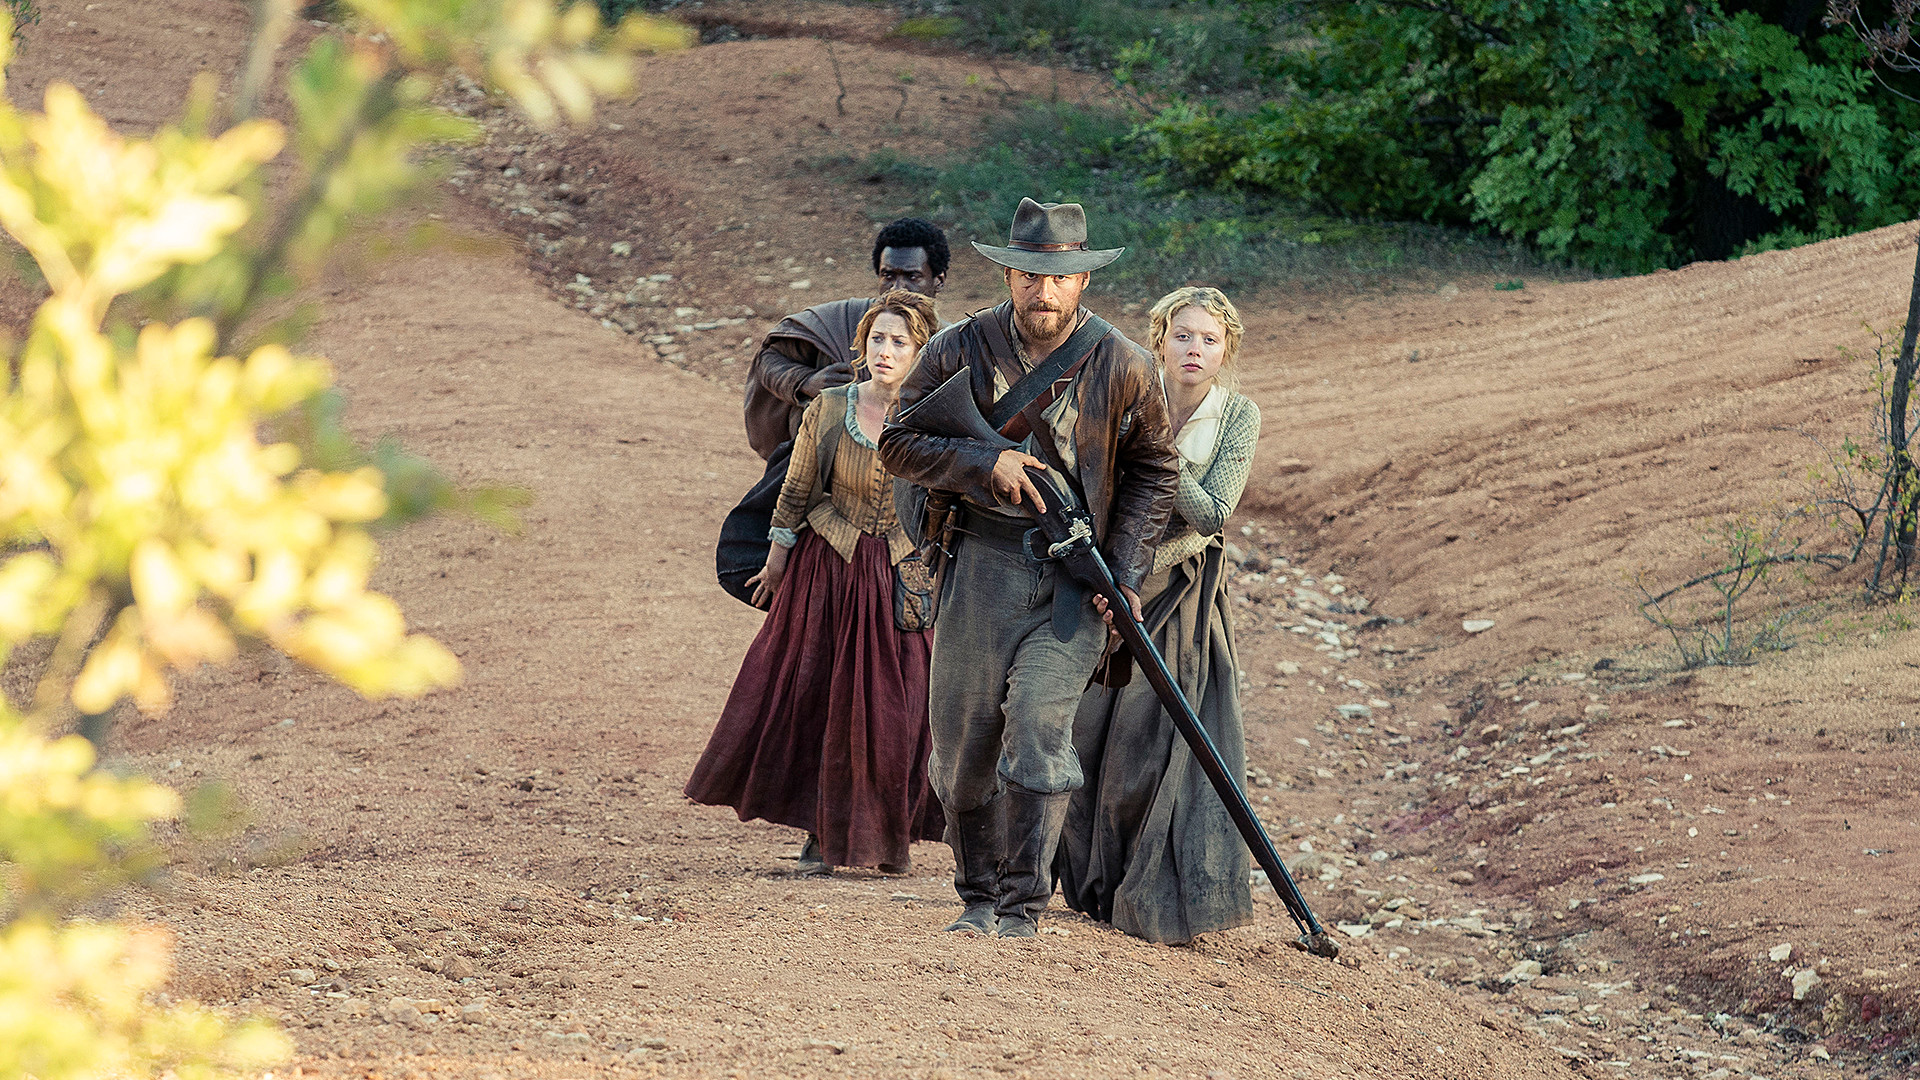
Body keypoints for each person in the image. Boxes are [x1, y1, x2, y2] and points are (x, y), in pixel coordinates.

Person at [879, 199, 1179, 937]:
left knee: (1041, 730)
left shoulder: (1124, 363)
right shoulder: (957, 346)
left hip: (1073, 584)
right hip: (979, 569)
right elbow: (898, 443)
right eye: (1030, 276)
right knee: (962, 751)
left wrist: (1123, 574)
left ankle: (1022, 904)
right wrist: (986, 463)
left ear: (1083, 280)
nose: (1045, 292)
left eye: (1060, 278)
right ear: (1009, 275)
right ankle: (977, 896)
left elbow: (1155, 470)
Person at [687, 291, 947, 875]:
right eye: (876, 339)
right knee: (823, 700)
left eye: (899, 342)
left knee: (900, 707)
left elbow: (949, 499)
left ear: (920, 351)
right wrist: (778, 560)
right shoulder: (830, 408)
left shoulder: (935, 416)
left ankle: (890, 837)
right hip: (829, 569)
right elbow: (798, 488)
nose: (885, 351)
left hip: (901, 575)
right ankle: (821, 833)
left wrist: (938, 570)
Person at [1054, 286, 1262, 945]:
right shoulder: (1128, 390)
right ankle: (1087, 885)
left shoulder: (1238, 415)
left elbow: (1212, 514)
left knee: (1152, 741)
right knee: (1085, 729)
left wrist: (1156, 454)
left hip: (1180, 585)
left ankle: (1152, 896)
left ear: (1225, 350)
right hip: (1105, 576)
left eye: (1209, 339)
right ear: (1159, 340)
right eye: (1183, 335)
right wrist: (1111, 571)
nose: (1194, 349)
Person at [742, 218, 950, 459]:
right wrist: (805, 382)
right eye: (888, 275)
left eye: (912, 277)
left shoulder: (952, 343)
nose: (897, 288)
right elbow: (769, 359)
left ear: (938, 280)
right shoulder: (841, 321)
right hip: (826, 465)